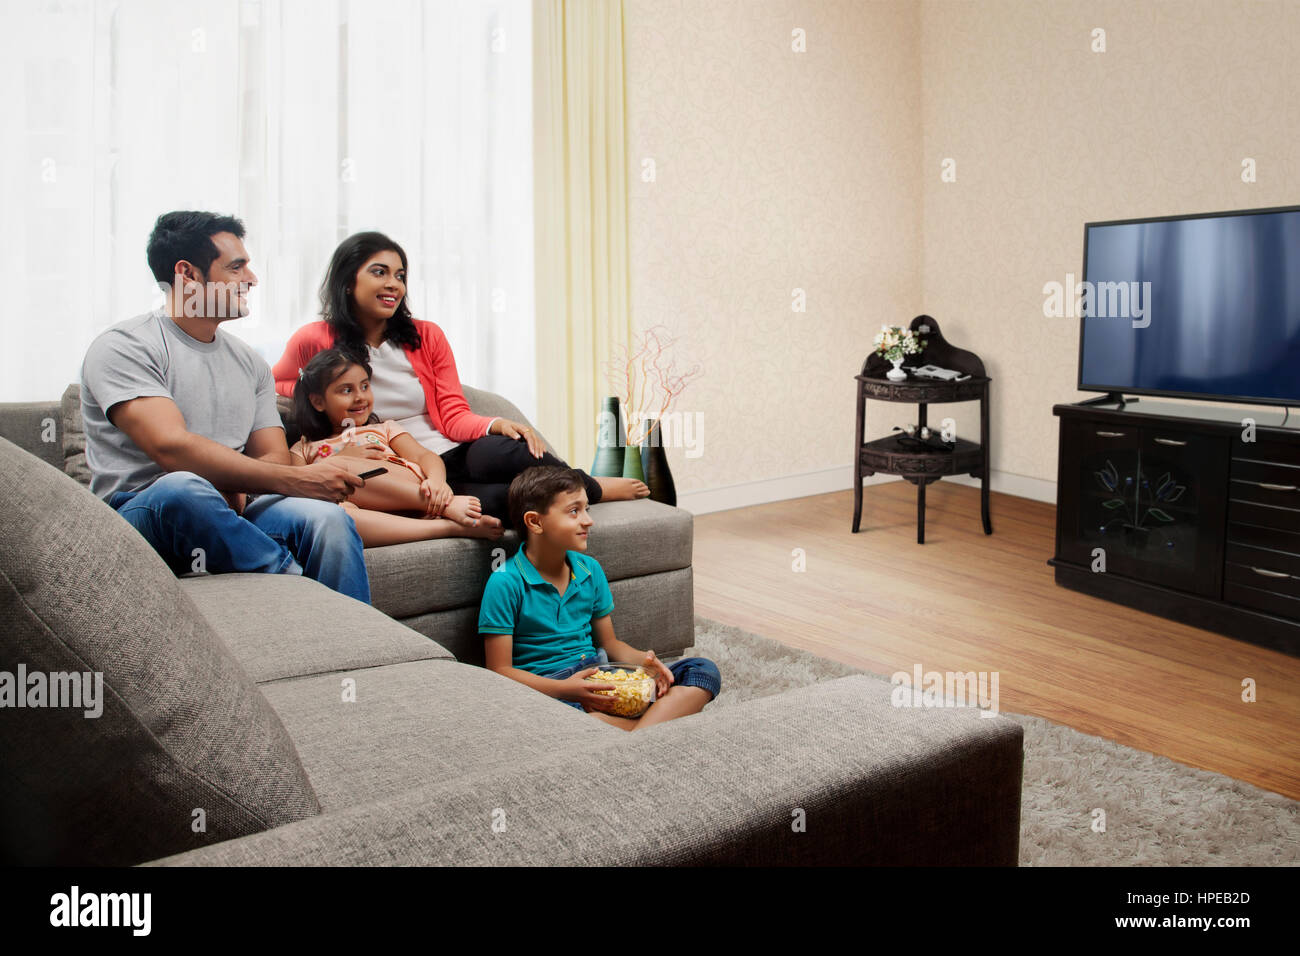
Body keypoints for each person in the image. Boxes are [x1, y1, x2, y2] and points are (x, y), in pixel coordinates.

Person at [80, 210, 371, 602]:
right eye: (236, 267)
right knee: (184, 489)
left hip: (230, 512)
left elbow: (273, 455)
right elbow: (171, 447)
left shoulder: (249, 362)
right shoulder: (125, 346)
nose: (251, 278)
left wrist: (239, 484)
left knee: (328, 520)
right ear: (188, 274)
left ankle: (352, 649)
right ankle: (301, 594)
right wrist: (294, 480)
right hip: (142, 512)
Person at [272, 231, 648, 525]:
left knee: (508, 450)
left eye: (400, 276)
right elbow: (279, 387)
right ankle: (576, 495)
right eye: (379, 272)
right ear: (347, 281)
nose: (394, 285)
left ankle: (588, 486)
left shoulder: (426, 335)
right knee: (496, 501)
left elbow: (452, 410)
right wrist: (318, 403)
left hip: (449, 445)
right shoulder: (314, 339)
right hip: (405, 466)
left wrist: (496, 423)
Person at [478, 466, 720, 730]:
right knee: (556, 725)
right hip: (550, 692)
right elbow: (499, 671)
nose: (588, 520)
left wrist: (646, 662)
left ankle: (624, 732)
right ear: (535, 522)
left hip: (600, 677)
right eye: (574, 511)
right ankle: (645, 726)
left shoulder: (589, 570)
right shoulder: (505, 581)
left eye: (587, 510)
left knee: (702, 670)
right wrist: (566, 689)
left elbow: (610, 643)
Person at [290, 349, 505, 546]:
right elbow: (299, 489)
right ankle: (449, 527)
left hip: (407, 485)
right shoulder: (303, 447)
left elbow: (425, 457)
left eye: (365, 386)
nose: (360, 397)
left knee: (335, 468)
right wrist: (341, 459)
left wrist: (437, 482)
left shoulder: (383, 429)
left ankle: (444, 505)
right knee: (338, 517)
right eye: (346, 390)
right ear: (318, 402)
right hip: (377, 513)